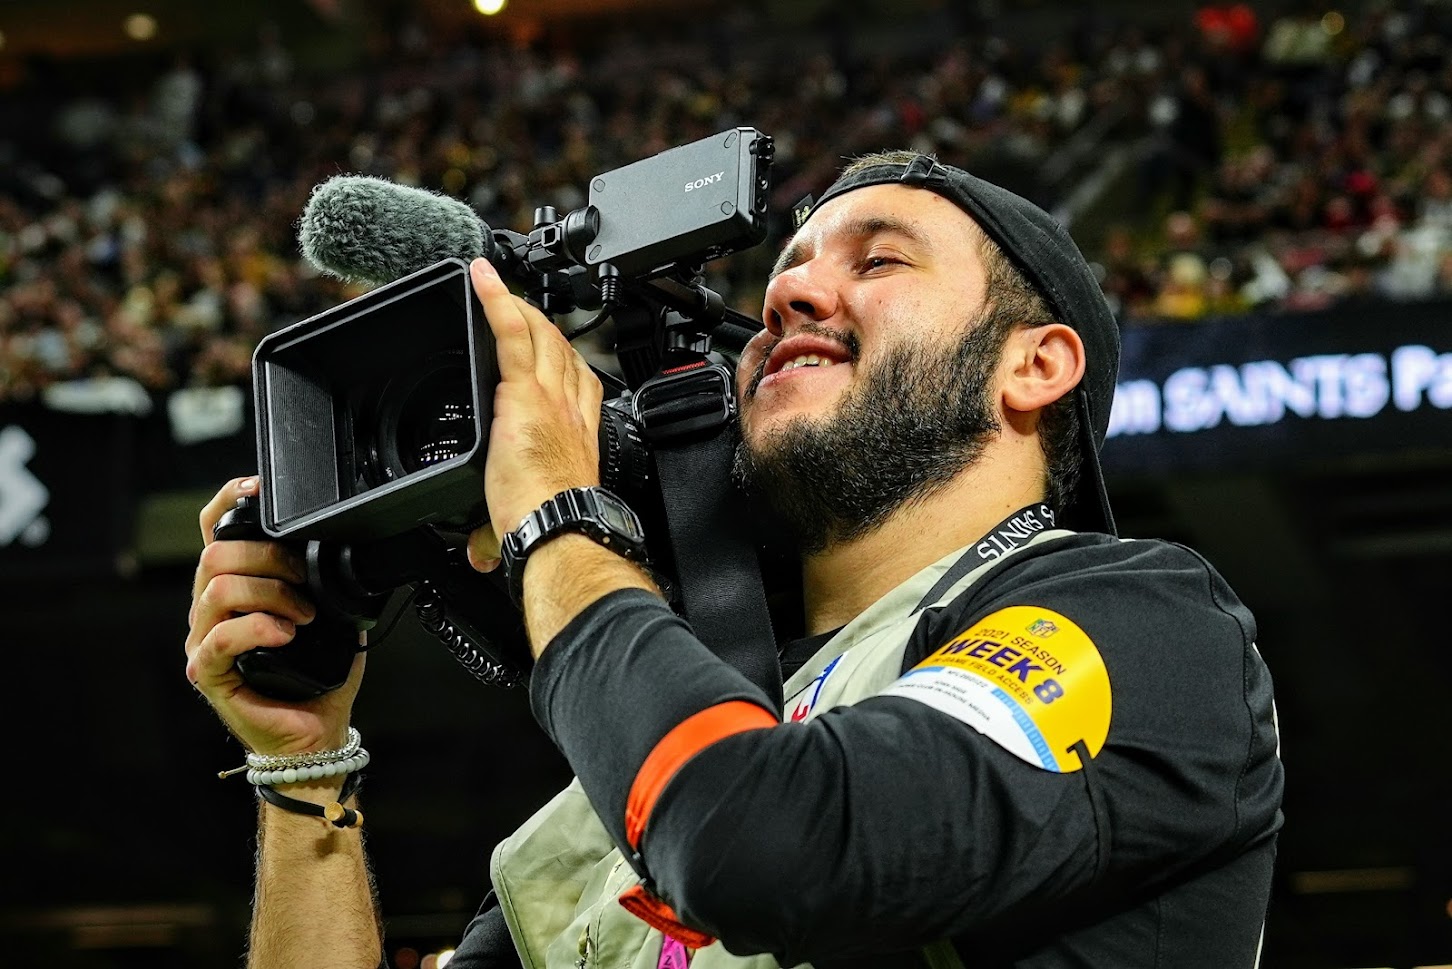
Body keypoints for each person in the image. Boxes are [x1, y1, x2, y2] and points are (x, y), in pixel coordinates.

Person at [186, 151, 1284, 968]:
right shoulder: (667, 738)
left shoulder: (1146, 622)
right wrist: (304, 772)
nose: (791, 294)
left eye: (880, 261)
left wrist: (558, 517)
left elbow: (766, 843)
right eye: (786, 272)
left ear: (1035, 364)